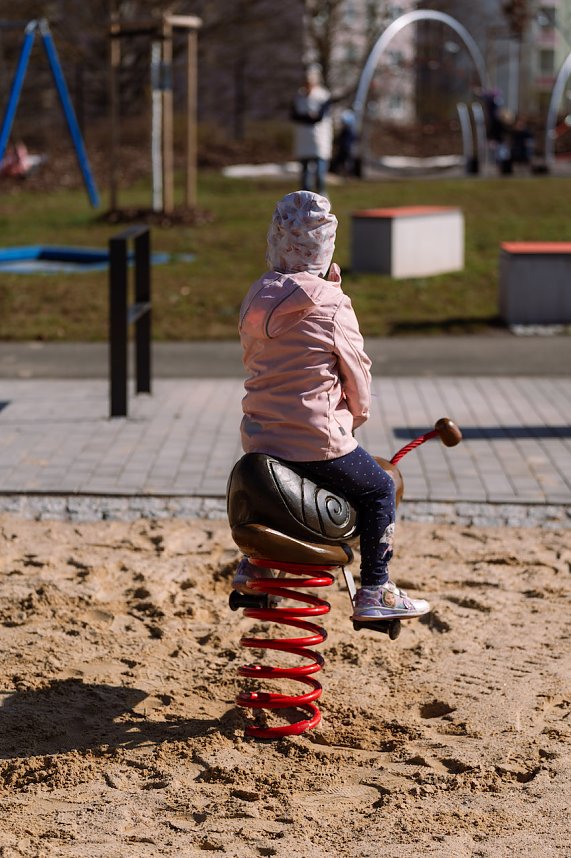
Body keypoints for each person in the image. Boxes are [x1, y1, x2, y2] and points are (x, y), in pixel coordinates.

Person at [233, 190, 430, 623]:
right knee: (378, 489)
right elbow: (357, 375)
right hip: (316, 439)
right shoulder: (332, 305)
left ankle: (255, 565)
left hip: (261, 438)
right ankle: (376, 587)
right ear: (325, 249)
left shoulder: (255, 297)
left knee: (272, 492)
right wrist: (355, 419)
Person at [291, 65, 333, 195]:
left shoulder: (323, 95)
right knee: (305, 174)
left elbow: (319, 116)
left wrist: (308, 117)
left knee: (319, 173)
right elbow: (294, 115)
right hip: (304, 138)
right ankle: (305, 199)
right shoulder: (298, 96)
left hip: (319, 138)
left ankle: (322, 196)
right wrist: (308, 116)